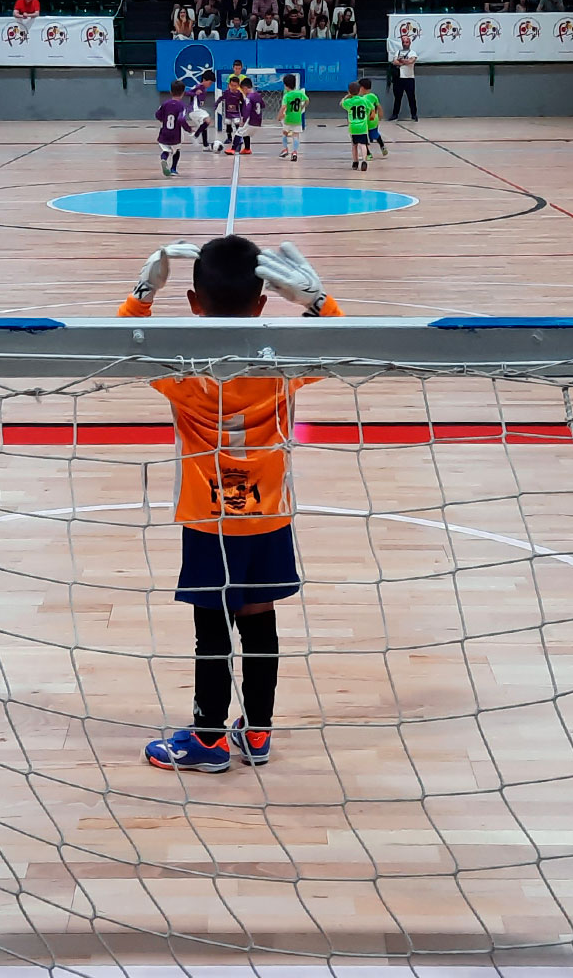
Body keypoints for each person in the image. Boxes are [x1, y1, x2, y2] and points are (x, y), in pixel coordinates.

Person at [122, 235, 343, 773]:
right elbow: (341, 343)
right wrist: (318, 302)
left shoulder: (181, 372)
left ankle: (208, 740)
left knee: (212, 629)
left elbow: (123, 345)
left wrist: (143, 292)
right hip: (269, 515)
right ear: (265, 302)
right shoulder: (284, 366)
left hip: (208, 518)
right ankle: (259, 733)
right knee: (259, 617)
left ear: (194, 304)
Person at [156, 80, 189, 177]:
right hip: (175, 134)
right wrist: (189, 129)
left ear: (170, 91)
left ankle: (164, 159)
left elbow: (157, 115)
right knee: (177, 150)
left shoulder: (165, 104)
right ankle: (173, 169)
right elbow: (181, 119)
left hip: (164, 133)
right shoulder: (182, 106)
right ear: (183, 93)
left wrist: (163, 119)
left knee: (166, 150)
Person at [341, 81, 373, 171]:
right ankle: (364, 161)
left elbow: (342, 103)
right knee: (363, 144)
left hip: (353, 126)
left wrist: (348, 96)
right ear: (359, 90)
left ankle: (355, 162)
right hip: (362, 126)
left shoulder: (348, 101)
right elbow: (370, 108)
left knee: (354, 145)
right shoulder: (364, 100)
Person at [387, 30, 419, 122]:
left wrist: (401, 61)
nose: (405, 44)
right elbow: (394, 62)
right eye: (403, 42)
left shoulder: (413, 53)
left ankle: (414, 115)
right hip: (399, 78)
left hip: (409, 78)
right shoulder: (398, 52)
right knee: (398, 97)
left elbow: (411, 61)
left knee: (411, 97)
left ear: (409, 43)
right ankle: (395, 114)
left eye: (407, 42)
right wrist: (403, 61)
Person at [277, 73, 307, 161]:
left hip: (288, 117)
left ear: (286, 85)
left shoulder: (287, 95)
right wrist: (302, 106)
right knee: (296, 135)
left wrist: (279, 115)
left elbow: (283, 107)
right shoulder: (299, 93)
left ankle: (286, 149)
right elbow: (307, 100)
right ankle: (294, 152)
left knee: (285, 133)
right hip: (297, 118)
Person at [359, 77, 388, 158]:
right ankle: (382, 146)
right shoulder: (374, 96)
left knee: (363, 137)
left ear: (362, 88)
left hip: (365, 121)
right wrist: (380, 117)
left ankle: (368, 154)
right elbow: (379, 107)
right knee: (375, 134)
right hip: (374, 119)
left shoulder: (362, 99)